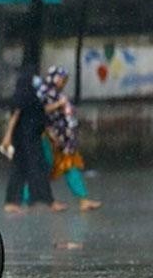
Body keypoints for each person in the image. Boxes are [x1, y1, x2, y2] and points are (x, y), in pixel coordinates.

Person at [31, 66, 102, 212]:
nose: (64, 82)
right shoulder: (44, 93)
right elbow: (39, 112)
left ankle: (83, 199)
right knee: (44, 168)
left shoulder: (58, 93)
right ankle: (27, 199)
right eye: (61, 78)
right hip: (50, 138)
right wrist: (58, 106)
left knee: (71, 166)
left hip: (64, 139)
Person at [0, 66, 68, 214]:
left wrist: (52, 136)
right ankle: (46, 201)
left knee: (23, 170)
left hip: (32, 137)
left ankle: (22, 201)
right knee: (35, 169)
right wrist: (7, 137)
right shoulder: (22, 97)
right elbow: (14, 117)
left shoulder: (33, 97)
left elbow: (41, 116)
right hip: (24, 140)